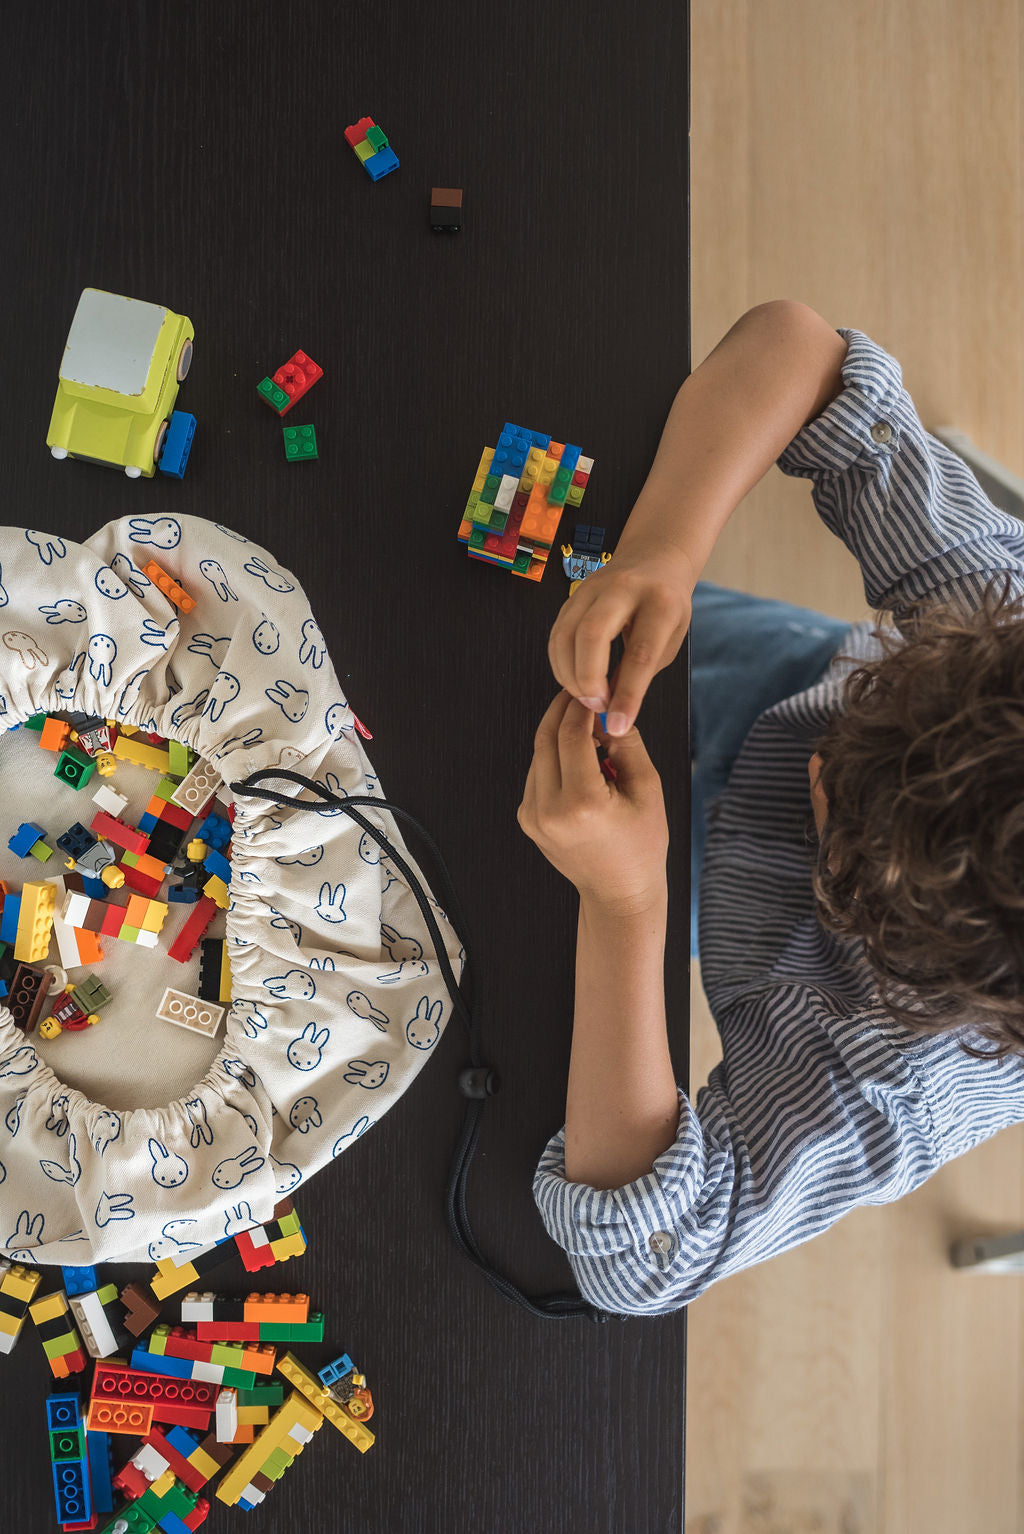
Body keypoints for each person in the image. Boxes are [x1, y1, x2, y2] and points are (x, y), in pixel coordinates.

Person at [518, 299, 1024, 1315]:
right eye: (878, 701)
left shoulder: (905, 1074)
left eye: (840, 823)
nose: (818, 769)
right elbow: (807, 353)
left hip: (670, 889)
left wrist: (626, 909)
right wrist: (662, 553)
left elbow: (643, 1257)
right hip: (751, 666)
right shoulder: (1002, 624)